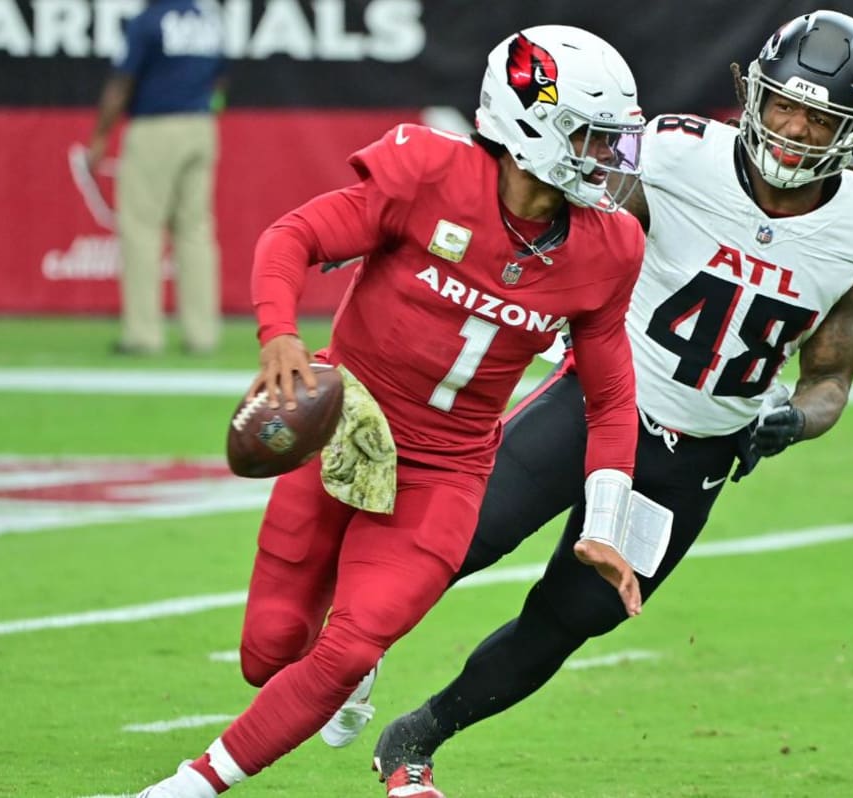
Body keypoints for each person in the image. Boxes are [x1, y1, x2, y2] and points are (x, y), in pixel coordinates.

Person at [370, 10, 853, 796]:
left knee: (571, 618)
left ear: (852, 129)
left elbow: (831, 378)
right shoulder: (676, 154)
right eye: (784, 106)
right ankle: (348, 651)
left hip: (695, 458)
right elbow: (573, 222)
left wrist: (793, 419)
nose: (794, 130)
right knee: (456, 539)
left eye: (818, 118)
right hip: (597, 405)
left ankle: (417, 737)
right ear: (754, 94)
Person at [133, 24, 649, 798]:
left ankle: (191, 785)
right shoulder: (429, 172)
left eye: (612, 139)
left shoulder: (608, 247)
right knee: (270, 651)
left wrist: (604, 523)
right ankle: (344, 671)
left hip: (445, 470)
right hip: (347, 425)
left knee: (346, 646)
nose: (606, 157)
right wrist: (280, 337)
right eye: (590, 135)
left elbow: (610, 396)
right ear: (529, 122)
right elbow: (294, 236)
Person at [86, 0, 227, 356]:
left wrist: (100, 136)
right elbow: (221, 79)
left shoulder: (148, 21)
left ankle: (143, 334)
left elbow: (122, 82)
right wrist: (206, 108)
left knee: (141, 228)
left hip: (155, 127)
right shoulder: (207, 20)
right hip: (201, 126)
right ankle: (202, 334)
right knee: (195, 230)